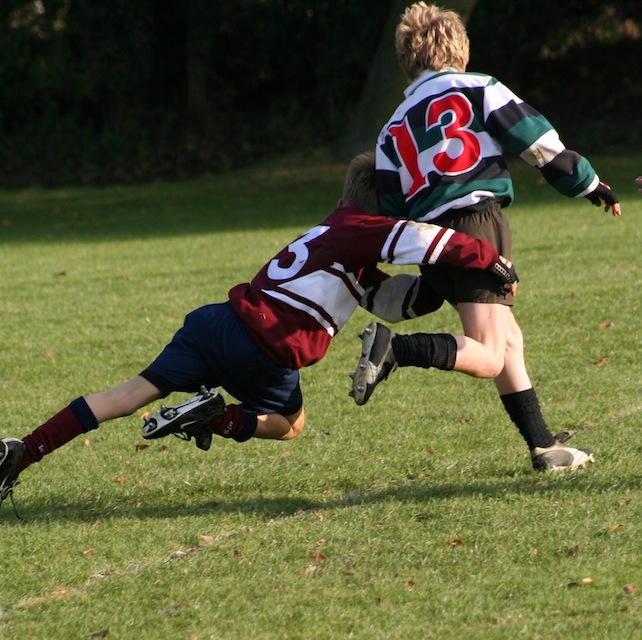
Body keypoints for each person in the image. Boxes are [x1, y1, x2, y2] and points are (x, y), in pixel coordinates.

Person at [0, 152, 518, 513]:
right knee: (290, 424)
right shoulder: (364, 230)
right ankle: (219, 417)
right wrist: (491, 261)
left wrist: (438, 288)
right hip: (265, 347)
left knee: (128, 394)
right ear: (384, 204)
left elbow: (394, 301)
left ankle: (26, 448)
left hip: (215, 322)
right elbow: (428, 238)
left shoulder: (332, 235)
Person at [351, 2, 621, 472]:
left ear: (407, 59)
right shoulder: (478, 87)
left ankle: (543, 447)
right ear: (459, 46)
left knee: (506, 339)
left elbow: (390, 205)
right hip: (476, 224)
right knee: (491, 352)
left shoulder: (391, 127)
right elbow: (534, 140)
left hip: (428, 240)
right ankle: (394, 348)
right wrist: (587, 182)